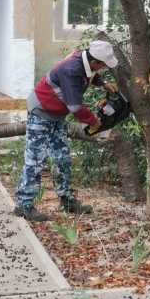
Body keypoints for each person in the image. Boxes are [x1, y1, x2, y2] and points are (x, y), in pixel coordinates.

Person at [13, 40, 119, 222]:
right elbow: (76, 107)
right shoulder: (71, 69)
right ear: (95, 62)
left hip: (56, 115)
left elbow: (90, 75)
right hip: (41, 112)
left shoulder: (84, 59)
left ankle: (67, 201)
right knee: (35, 160)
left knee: (62, 158)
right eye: (102, 66)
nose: (102, 69)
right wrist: (94, 121)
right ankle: (24, 205)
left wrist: (103, 84)